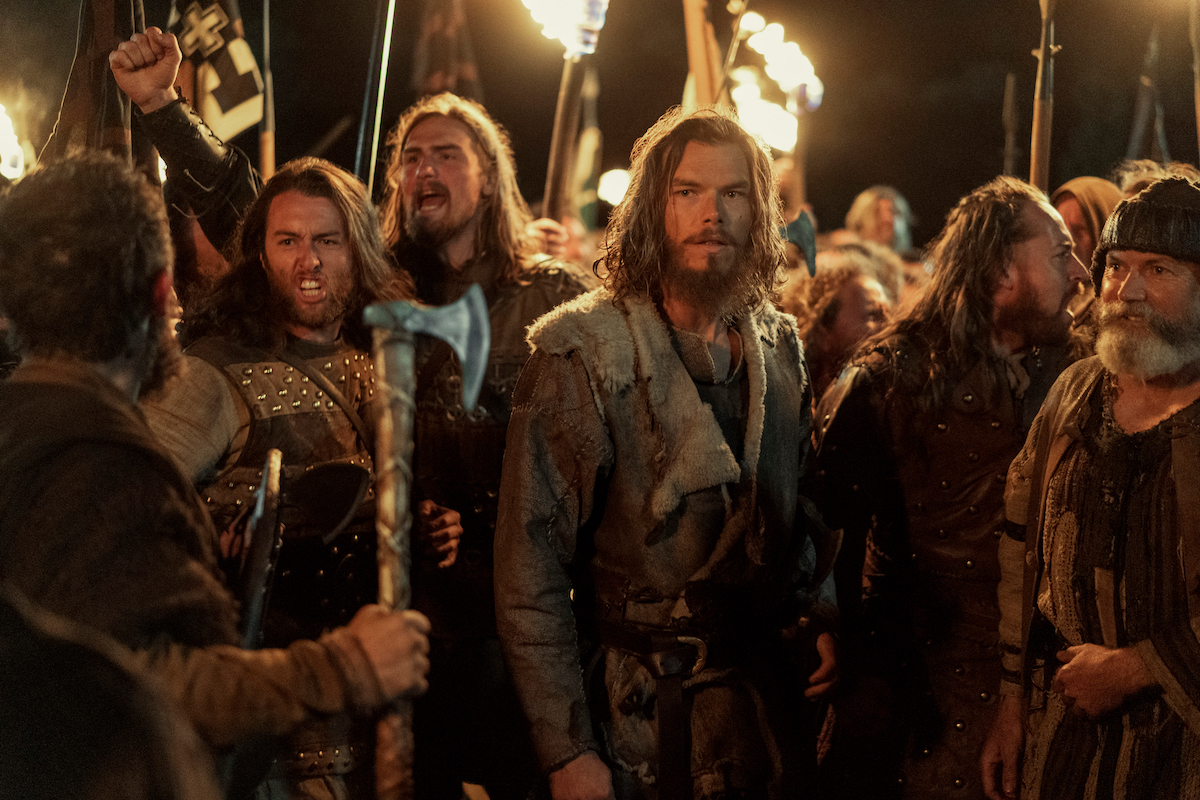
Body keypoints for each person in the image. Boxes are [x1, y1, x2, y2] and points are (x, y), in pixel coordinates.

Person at [0, 152, 431, 790]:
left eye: (327, 240)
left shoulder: (30, 427)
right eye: (288, 241)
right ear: (160, 292)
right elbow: (133, 683)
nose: (309, 260)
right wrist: (341, 668)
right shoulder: (106, 457)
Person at [494, 106, 839, 800]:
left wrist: (819, 612)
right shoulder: (582, 352)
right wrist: (567, 752)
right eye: (688, 191)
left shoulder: (778, 346)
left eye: (733, 192)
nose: (713, 213)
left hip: (761, 720)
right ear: (654, 206)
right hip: (638, 724)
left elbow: (800, 504)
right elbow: (528, 570)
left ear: (758, 210)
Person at [814, 176, 1088, 799]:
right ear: (1001, 272)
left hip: (1043, 690)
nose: (1080, 273)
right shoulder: (884, 382)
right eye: (1060, 253)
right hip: (910, 692)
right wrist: (828, 629)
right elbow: (821, 537)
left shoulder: (1077, 378)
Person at [378, 92, 590, 799]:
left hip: (522, 621)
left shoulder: (553, 295)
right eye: (412, 158)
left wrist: (489, 517)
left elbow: (591, 450)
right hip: (412, 616)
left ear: (490, 177)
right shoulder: (377, 292)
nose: (424, 170)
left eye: (446, 155)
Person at [981, 177, 1200, 800]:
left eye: (1158, 269)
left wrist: (1138, 667)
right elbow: (1020, 552)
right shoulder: (1074, 393)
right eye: (1116, 266)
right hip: (1066, 738)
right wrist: (1012, 702)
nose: (1127, 291)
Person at [781, 244, 893, 400]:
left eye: (889, 313)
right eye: (873, 314)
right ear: (821, 330)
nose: (890, 324)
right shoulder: (786, 404)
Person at [1049, 177, 1122, 355]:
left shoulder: (1116, 316)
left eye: (1079, 230)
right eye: (1060, 230)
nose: (1067, 242)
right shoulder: (1044, 301)